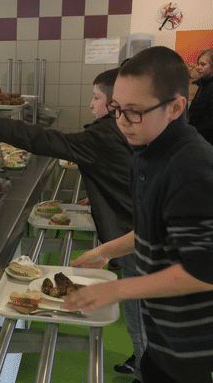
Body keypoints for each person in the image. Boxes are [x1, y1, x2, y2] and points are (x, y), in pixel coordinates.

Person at [0, 69, 145, 381]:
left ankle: (145, 363)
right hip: (132, 227)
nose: (91, 105)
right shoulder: (119, 132)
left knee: (140, 312)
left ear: (114, 103)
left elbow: (49, 140)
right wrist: (101, 194)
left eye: (96, 98)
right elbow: (125, 173)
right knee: (143, 310)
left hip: (131, 235)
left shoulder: (104, 134)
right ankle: (144, 358)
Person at [63, 46, 213, 383]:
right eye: (116, 109)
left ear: (175, 107)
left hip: (194, 347)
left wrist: (115, 289)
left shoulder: (192, 169)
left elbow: (203, 271)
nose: (121, 122)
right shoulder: (148, 153)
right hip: (162, 333)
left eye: (133, 112)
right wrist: (104, 252)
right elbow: (152, 230)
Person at [188, 49, 213, 144]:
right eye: (198, 64)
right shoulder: (203, 85)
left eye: (203, 64)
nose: (198, 68)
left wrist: (193, 131)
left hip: (206, 141)